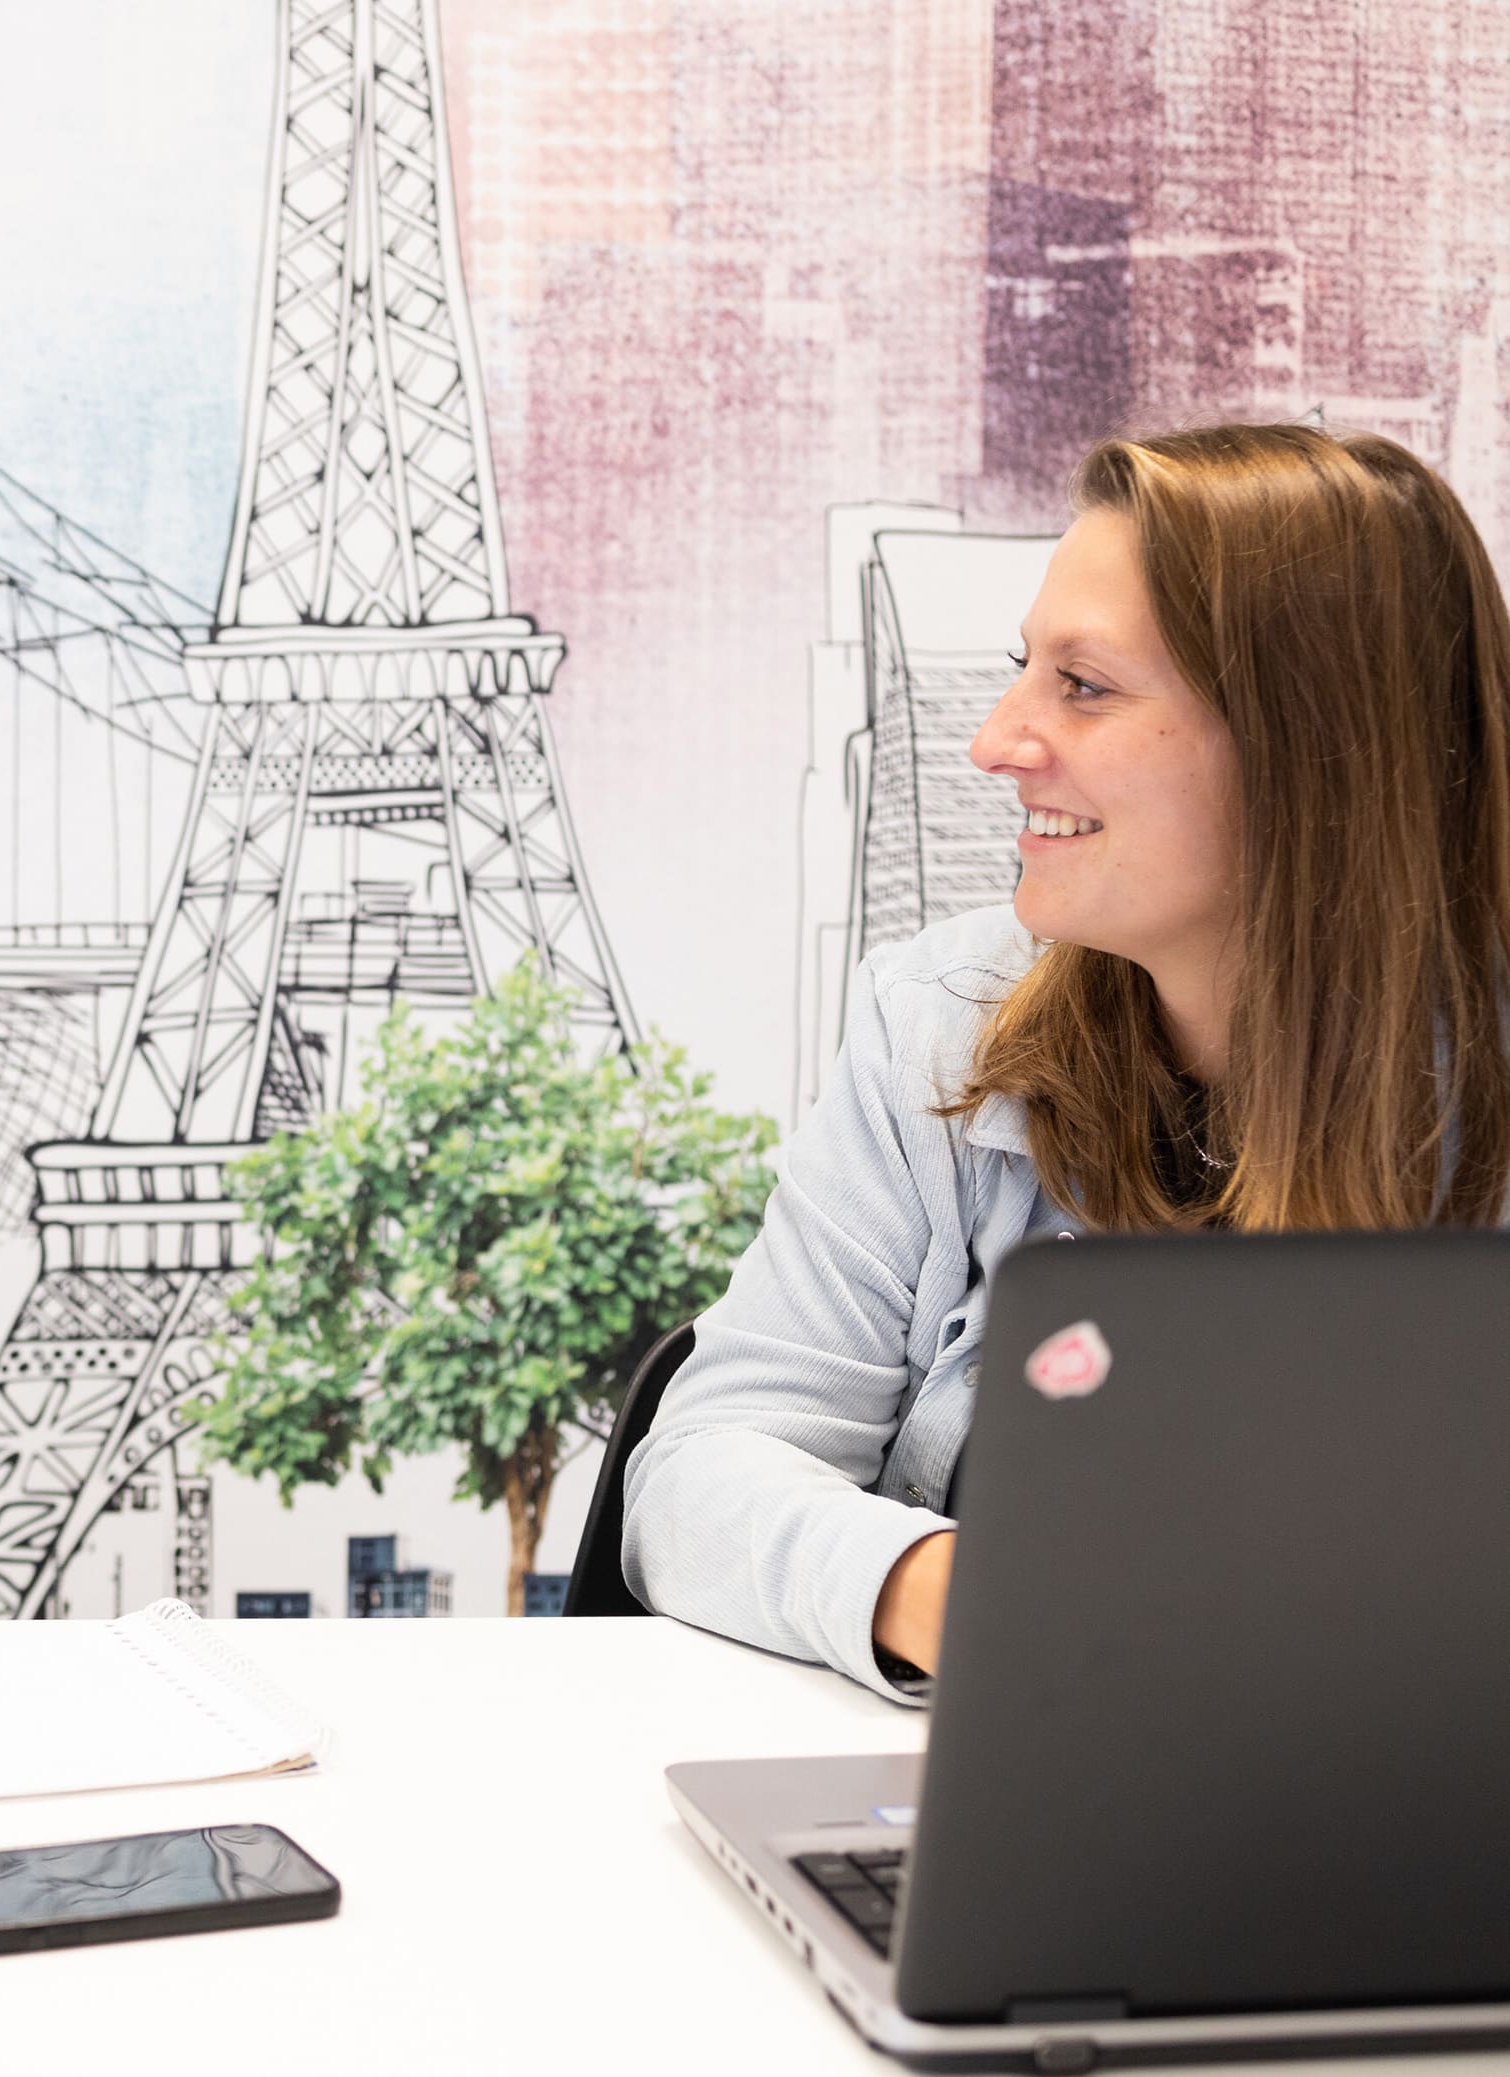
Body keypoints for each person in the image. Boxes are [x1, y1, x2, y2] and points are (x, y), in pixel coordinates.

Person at [624, 424, 1510, 1699]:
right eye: (1019, 671)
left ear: (1310, 744)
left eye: (1082, 687)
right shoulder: (938, 1021)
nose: (998, 741)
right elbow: (699, 1467)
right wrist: (956, 1595)